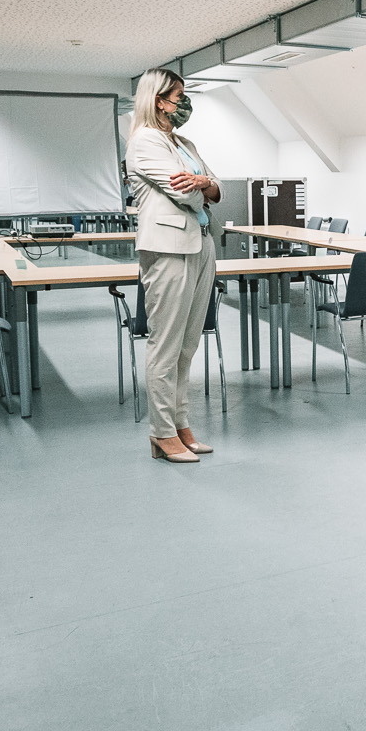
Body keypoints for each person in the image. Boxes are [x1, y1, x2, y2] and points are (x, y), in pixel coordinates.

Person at [126, 68, 219, 464]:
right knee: (165, 345)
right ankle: (161, 432)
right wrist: (202, 186)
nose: (185, 103)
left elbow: (216, 187)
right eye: (179, 96)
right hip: (167, 248)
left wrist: (205, 183)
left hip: (201, 243)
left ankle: (181, 425)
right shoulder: (144, 141)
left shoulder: (183, 142)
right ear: (159, 101)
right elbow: (184, 193)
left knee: (188, 344)